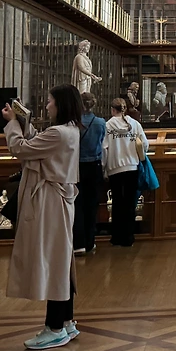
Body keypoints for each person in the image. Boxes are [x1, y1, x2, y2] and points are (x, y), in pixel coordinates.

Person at [1, 85, 81, 350]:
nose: (47, 106)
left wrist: (13, 124)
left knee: (53, 261)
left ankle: (54, 328)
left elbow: (21, 149)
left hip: (50, 202)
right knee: (60, 259)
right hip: (58, 199)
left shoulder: (59, 133)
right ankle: (66, 321)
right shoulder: (69, 130)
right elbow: (37, 143)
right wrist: (24, 121)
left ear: (61, 104)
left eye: (49, 101)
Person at [103, 98, 148, 247]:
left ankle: (116, 237)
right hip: (132, 167)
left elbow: (104, 149)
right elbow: (144, 144)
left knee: (117, 202)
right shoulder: (134, 124)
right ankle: (129, 237)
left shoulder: (108, 126)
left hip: (115, 167)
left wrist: (104, 168)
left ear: (112, 110)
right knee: (130, 202)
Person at [73, 92, 105, 255]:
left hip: (77, 165)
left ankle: (78, 243)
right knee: (92, 205)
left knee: (77, 204)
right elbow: (102, 142)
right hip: (95, 165)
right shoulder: (100, 123)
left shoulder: (74, 123)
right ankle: (90, 241)